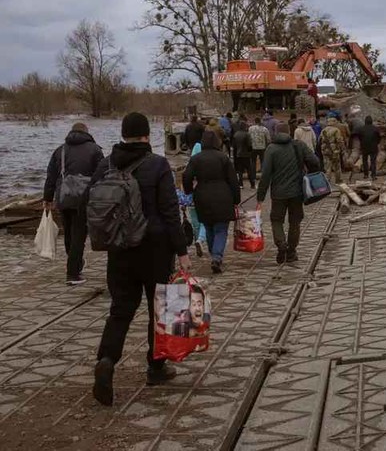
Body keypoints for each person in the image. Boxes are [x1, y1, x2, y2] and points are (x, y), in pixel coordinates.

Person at [92, 112, 190, 407]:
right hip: (155, 249)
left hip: (119, 249)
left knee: (120, 310)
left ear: (123, 135)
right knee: (158, 309)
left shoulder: (105, 165)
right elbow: (171, 212)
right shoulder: (158, 165)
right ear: (147, 136)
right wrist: (182, 251)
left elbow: (93, 204)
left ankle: (107, 360)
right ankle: (156, 367)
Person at [43, 122, 103, 285]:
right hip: (84, 199)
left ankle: (75, 263)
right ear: (86, 132)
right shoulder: (95, 149)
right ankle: (73, 274)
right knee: (79, 235)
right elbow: (102, 175)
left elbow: (51, 176)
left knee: (69, 234)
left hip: (63, 197)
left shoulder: (59, 151)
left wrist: (47, 198)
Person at [256, 122, 320, 264]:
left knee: (276, 220)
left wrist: (260, 196)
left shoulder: (271, 149)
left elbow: (265, 175)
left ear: (276, 132)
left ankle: (281, 245)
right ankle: (291, 252)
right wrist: (309, 172)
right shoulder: (298, 146)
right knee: (295, 221)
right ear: (289, 131)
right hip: (297, 192)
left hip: (278, 193)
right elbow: (315, 160)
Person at [183, 130, 240, 273]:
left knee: (208, 226)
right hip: (223, 195)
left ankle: (214, 254)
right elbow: (233, 180)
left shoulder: (196, 159)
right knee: (221, 229)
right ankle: (217, 256)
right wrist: (236, 199)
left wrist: (189, 190)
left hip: (202, 196)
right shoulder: (223, 158)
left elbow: (186, 176)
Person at [320, 117, 345, 184]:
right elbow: (339, 140)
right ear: (334, 122)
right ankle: (338, 180)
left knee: (327, 167)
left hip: (325, 150)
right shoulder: (336, 130)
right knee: (337, 166)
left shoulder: (323, 130)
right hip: (334, 150)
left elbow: (320, 140)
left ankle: (327, 182)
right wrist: (342, 149)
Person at [232, 117, 255, 188]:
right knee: (249, 170)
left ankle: (240, 184)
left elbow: (234, 145)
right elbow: (249, 145)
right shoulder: (247, 134)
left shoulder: (236, 134)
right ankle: (252, 184)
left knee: (240, 170)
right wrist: (250, 152)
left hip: (238, 154)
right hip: (246, 154)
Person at [359, 116, 381, 180]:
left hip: (364, 147)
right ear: (372, 121)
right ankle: (373, 175)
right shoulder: (375, 128)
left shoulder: (361, 129)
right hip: (373, 147)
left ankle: (366, 175)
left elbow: (360, 138)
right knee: (373, 161)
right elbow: (379, 137)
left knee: (365, 161)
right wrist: (376, 143)